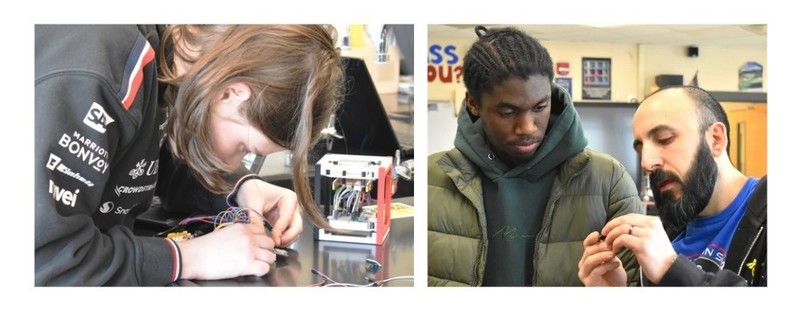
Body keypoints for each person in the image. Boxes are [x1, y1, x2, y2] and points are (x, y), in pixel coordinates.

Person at [35, 25, 343, 286]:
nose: (235, 162)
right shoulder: (100, 69)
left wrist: (238, 188)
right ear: (230, 93)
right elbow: (44, 260)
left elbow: (142, 165)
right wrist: (188, 258)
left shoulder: (164, 66)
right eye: (245, 149)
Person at [427, 26, 644, 286]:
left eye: (540, 107)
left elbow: (637, 284)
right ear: (473, 103)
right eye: (507, 112)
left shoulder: (608, 180)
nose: (528, 128)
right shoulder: (431, 182)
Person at [578, 86, 767, 286]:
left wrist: (672, 270)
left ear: (716, 140)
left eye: (664, 139)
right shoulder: (664, 237)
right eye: (641, 149)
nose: (646, 162)